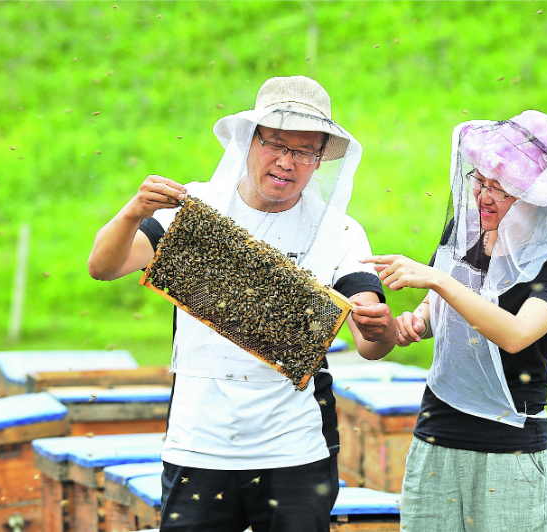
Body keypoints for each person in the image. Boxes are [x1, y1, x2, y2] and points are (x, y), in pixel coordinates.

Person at [88, 75, 397, 532]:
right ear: (250, 140)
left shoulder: (341, 231)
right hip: (198, 442)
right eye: (276, 144)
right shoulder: (195, 208)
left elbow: (372, 341)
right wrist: (134, 210)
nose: (287, 162)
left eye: (304, 151)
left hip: (295, 448)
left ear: (319, 161)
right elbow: (103, 265)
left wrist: (379, 325)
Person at [364, 110, 547, 531]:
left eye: (500, 188)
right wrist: (417, 319)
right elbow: (439, 307)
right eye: (480, 180)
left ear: (536, 197)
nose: (484, 196)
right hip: (436, 436)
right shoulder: (465, 233)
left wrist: (437, 281)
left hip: (512, 452)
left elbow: (516, 334)